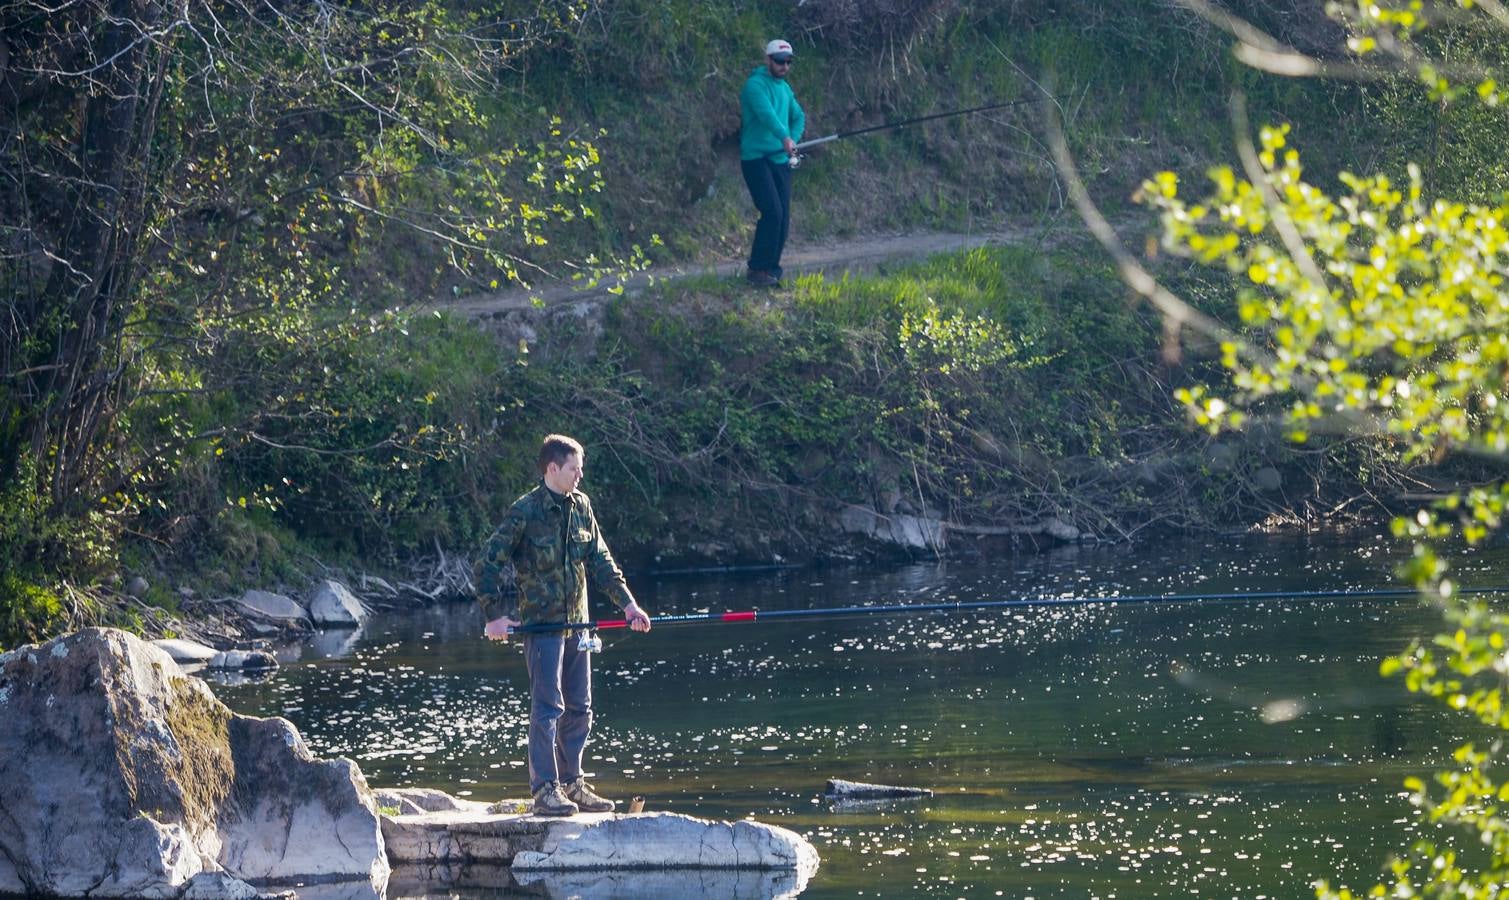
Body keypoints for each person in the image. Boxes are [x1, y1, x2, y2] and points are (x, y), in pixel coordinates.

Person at [474, 434, 652, 816]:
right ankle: (545, 789)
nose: (580, 475)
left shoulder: (582, 506)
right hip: (543, 628)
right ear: (552, 468)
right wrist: (493, 616)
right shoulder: (525, 511)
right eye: (574, 468)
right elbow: (487, 562)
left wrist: (629, 606)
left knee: (580, 707)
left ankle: (573, 783)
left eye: (580, 468)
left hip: (580, 627)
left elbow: (601, 560)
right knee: (547, 707)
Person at [740, 38, 805, 288]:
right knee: (772, 212)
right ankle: (757, 269)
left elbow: (799, 117)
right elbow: (766, 115)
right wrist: (784, 137)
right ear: (768, 60)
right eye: (780, 61)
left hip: (780, 159)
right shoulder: (754, 86)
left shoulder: (785, 89)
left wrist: (793, 141)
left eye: (788, 62)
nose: (784, 66)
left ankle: (771, 270)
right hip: (756, 159)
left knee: (784, 217)